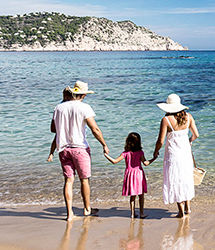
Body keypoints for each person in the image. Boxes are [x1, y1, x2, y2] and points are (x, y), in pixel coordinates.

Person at [50, 80, 109, 221]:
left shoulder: (58, 107)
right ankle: (87, 209)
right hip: (80, 148)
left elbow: (53, 129)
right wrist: (104, 144)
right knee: (84, 180)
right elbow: (95, 129)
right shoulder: (84, 108)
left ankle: (69, 214)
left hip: (63, 149)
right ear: (83, 95)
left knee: (68, 181)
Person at [152, 94, 199, 219]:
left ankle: (180, 211)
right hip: (185, 153)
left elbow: (161, 141)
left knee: (175, 179)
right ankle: (188, 208)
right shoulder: (188, 117)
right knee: (185, 178)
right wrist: (189, 141)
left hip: (173, 155)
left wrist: (155, 151)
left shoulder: (166, 120)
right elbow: (196, 135)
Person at [104, 132, 155, 219]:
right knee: (141, 195)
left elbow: (114, 161)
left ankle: (132, 214)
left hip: (130, 175)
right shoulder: (140, 152)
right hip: (139, 174)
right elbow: (145, 163)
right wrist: (154, 158)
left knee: (132, 195)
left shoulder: (125, 153)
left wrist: (105, 155)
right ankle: (141, 213)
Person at [47, 87, 74, 162]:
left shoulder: (59, 106)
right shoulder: (72, 105)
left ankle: (51, 154)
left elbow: (52, 129)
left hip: (61, 130)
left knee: (57, 136)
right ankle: (51, 153)